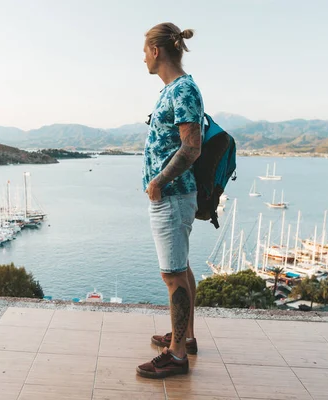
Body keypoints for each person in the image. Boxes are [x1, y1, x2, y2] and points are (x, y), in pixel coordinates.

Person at [136, 22, 204, 379]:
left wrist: (159, 181)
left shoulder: (183, 90)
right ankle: (185, 337)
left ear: (157, 50)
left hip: (172, 195)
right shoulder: (173, 90)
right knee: (181, 267)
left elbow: (191, 146)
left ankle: (176, 356)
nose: (143, 58)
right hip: (172, 195)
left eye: (145, 50)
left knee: (172, 274)